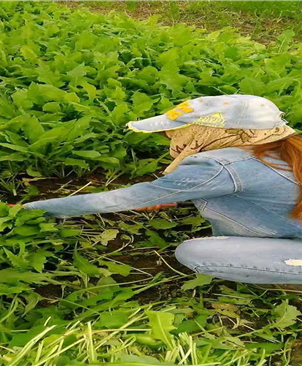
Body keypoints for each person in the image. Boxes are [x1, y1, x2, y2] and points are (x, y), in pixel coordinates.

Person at [22, 95, 302, 285]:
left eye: (178, 132)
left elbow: (118, 199)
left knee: (196, 254)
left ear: (209, 132)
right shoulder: (286, 147)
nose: (171, 139)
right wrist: (177, 198)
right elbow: (265, 189)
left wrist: (30, 211)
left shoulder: (219, 165)